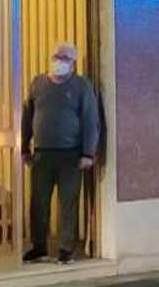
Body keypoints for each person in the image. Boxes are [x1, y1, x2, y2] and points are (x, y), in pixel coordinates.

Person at [21, 41, 100, 264]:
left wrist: (88, 153)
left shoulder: (82, 86)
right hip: (42, 154)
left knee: (68, 202)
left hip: (71, 155)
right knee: (38, 202)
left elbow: (90, 120)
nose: (60, 61)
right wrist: (24, 147)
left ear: (74, 63)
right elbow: (27, 116)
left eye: (65, 58)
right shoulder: (37, 84)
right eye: (57, 56)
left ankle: (66, 248)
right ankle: (38, 246)